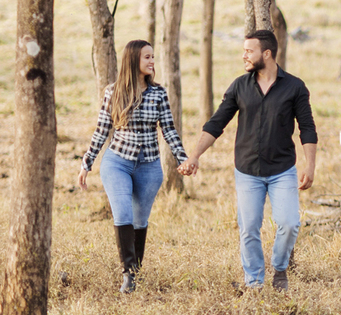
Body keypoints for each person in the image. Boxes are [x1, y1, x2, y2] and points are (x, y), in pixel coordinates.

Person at [179, 30, 318, 291]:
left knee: (289, 223)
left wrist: (310, 166)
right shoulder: (239, 86)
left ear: (266, 54)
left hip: (282, 170)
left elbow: (307, 128)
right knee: (249, 229)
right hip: (247, 171)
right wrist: (195, 155)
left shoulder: (295, 87)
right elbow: (216, 123)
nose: (244, 55)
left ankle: (279, 268)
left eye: (249, 51)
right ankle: (254, 282)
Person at [78, 40, 189, 293]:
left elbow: (169, 130)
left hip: (149, 166)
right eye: (147, 57)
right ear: (133, 60)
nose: (152, 61)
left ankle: (136, 271)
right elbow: (101, 131)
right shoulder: (113, 92)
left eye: (153, 57)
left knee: (140, 220)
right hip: (117, 162)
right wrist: (87, 162)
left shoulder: (159, 94)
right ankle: (127, 273)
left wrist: (182, 159)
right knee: (123, 214)